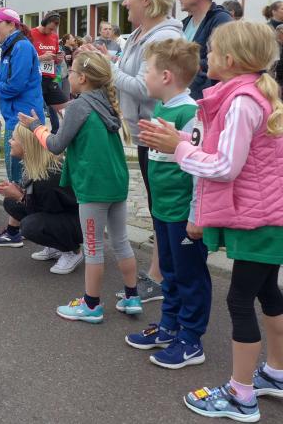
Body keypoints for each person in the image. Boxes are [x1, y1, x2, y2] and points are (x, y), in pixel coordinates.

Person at [139, 21, 283, 422]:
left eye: (213, 51)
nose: (208, 57)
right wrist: (183, 140)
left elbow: (223, 166)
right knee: (268, 293)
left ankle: (241, 395)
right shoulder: (253, 95)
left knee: (240, 300)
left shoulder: (242, 101)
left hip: (260, 221)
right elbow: (227, 151)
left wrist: (178, 148)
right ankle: (275, 372)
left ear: (231, 60)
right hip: (269, 218)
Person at [19, 51, 137, 324]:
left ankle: (91, 305)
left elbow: (56, 145)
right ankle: (132, 297)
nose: (66, 75)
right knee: (121, 242)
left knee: (93, 248)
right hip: (117, 183)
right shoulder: (106, 103)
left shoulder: (78, 106)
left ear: (82, 78)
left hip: (93, 187)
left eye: (70, 71)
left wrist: (36, 127)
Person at [124, 39, 212, 370]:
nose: (143, 76)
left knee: (190, 276)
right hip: (163, 210)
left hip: (182, 214)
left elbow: (199, 169)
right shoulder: (161, 107)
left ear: (165, 76)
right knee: (170, 272)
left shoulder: (191, 113)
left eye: (147, 70)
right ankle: (169, 326)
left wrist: (196, 214)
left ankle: (191, 339)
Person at [111, 0, 183, 299]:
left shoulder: (160, 38)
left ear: (147, 0)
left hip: (158, 133)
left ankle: (161, 277)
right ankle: (160, 273)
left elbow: (143, 87)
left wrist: (109, 69)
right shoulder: (141, 33)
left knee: (161, 209)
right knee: (156, 207)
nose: (125, 1)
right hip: (146, 132)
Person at [0, 124, 84, 275]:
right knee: (10, 202)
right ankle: (56, 246)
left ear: (26, 145)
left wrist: (20, 196)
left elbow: (46, 211)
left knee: (30, 226)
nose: (10, 141)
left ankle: (72, 251)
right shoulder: (38, 165)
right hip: (63, 215)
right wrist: (17, 192)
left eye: (13, 139)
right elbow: (41, 205)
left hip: (79, 223)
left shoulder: (49, 176)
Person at [0, 7, 45, 183]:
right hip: (15, 119)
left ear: (12, 25)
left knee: (20, 181)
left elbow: (15, 87)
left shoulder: (21, 47)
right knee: (17, 178)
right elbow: (7, 82)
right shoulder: (10, 47)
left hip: (23, 122)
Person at [177, 0, 233, 99]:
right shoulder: (183, 24)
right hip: (185, 97)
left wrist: (192, 65)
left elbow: (225, 58)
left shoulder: (221, 20)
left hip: (208, 98)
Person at [30, 11, 68, 133]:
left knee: (65, 108)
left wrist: (59, 59)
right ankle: (36, 137)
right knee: (36, 111)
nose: (52, 31)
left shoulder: (54, 36)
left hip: (51, 79)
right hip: (36, 79)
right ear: (44, 22)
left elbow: (55, 58)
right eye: (50, 28)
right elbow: (24, 58)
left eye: (54, 29)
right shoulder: (31, 34)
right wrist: (41, 58)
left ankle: (72, 133)